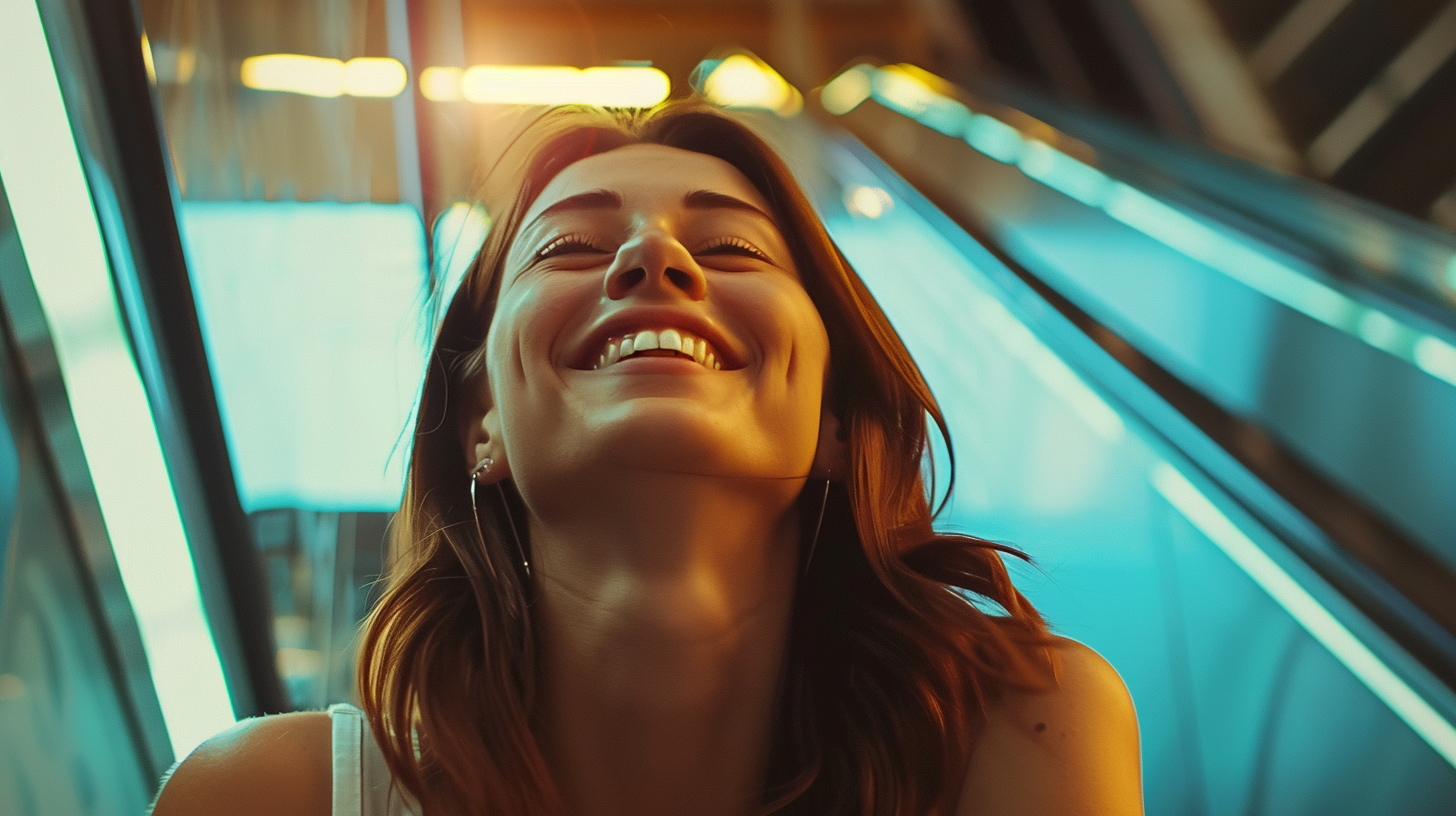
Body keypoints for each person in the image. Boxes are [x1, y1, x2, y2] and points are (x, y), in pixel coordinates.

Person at [151, 103, 1141, 816]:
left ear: (837, 419)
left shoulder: (1018, 741)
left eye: (733, 250)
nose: (652, 260)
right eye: (571, 248)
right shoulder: (263, 800)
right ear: (479, 426)